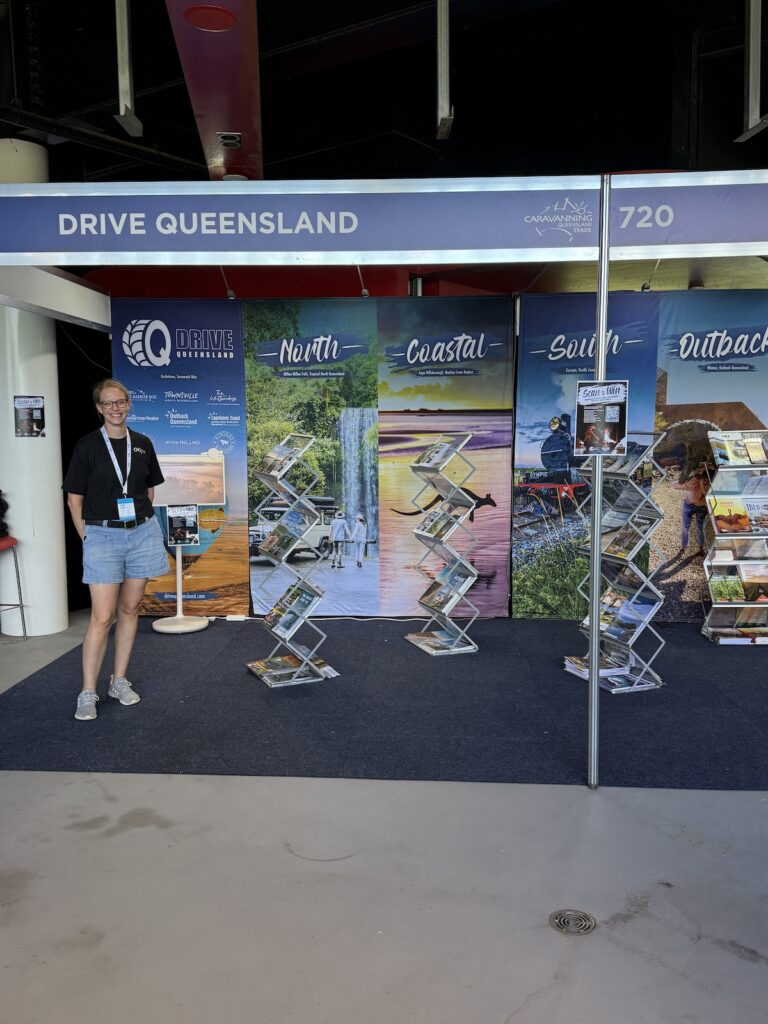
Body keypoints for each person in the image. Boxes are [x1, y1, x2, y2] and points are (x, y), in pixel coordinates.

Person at [62, 379, 170, 720]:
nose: (115, 408)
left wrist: (134, 521)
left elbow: (149, 492)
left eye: (120, 402)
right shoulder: (88, 445)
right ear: (99, 408)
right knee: (101, 616)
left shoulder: (142, 444)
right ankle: (88, 691)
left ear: (129, 404)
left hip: (141, 534)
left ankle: (118, 680)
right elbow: (73, 499)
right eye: (108, 403)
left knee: (129, 609)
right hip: (102, 537)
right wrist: (88, 536)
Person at [669, 464, 710, 557]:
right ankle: (683, 548)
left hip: (701, 507)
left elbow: (706, 495)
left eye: (702, 473)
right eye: (698, 472)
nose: (703, 481)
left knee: (700, 528)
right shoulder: (692, 482)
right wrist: (688, 483)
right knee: (685, 527)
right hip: (688, 505)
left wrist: (703, 486)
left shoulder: (708, 485)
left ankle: (701, 548)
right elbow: (673, 485)